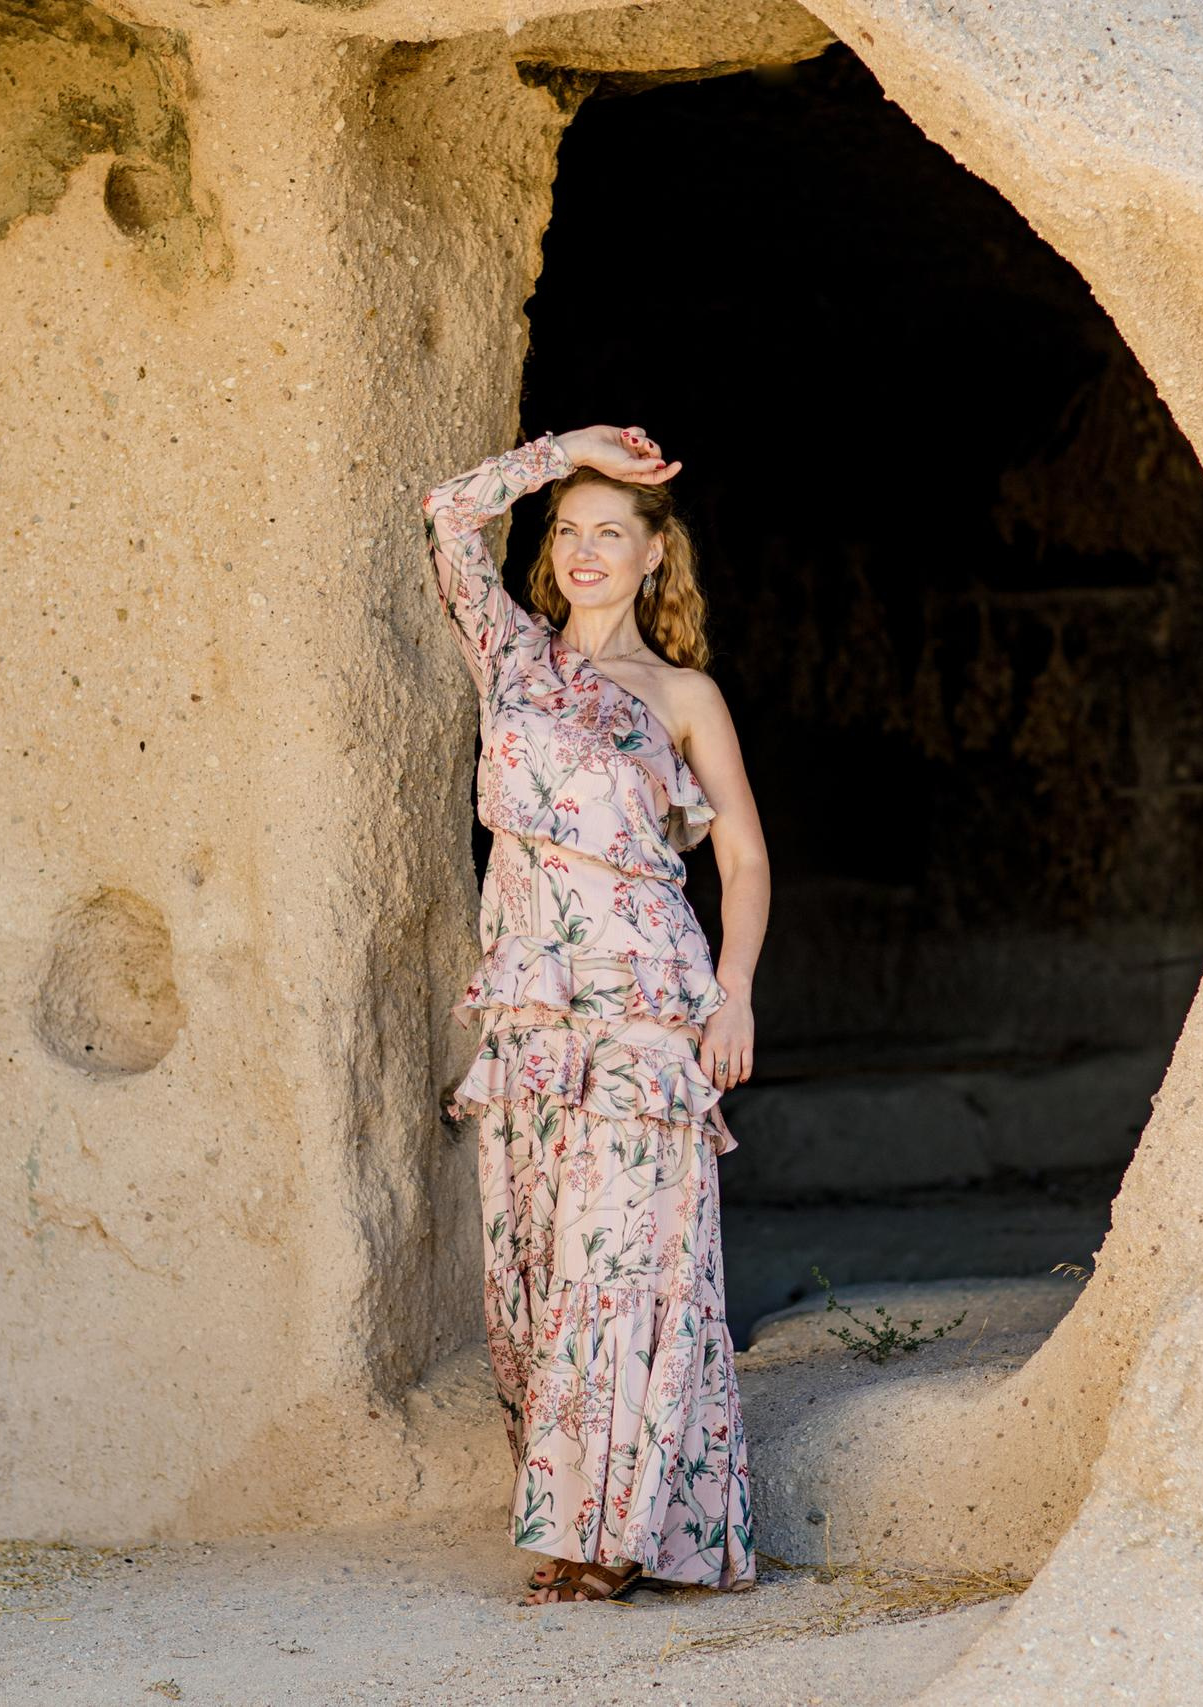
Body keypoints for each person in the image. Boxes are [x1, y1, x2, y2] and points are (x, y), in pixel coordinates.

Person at [420, 423, 770, 1606]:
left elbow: (744, 858)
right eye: (568, 531)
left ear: (654, 554)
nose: (583, 550)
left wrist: (735, 993)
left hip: (645, 1012)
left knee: (623, 1265)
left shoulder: (683, 695)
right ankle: (580, 1515)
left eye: (610, 532)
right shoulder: (512, 659)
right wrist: (562, 450)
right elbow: (450, 515)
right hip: (533, 1017)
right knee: (536, 1269)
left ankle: (609, 1540)